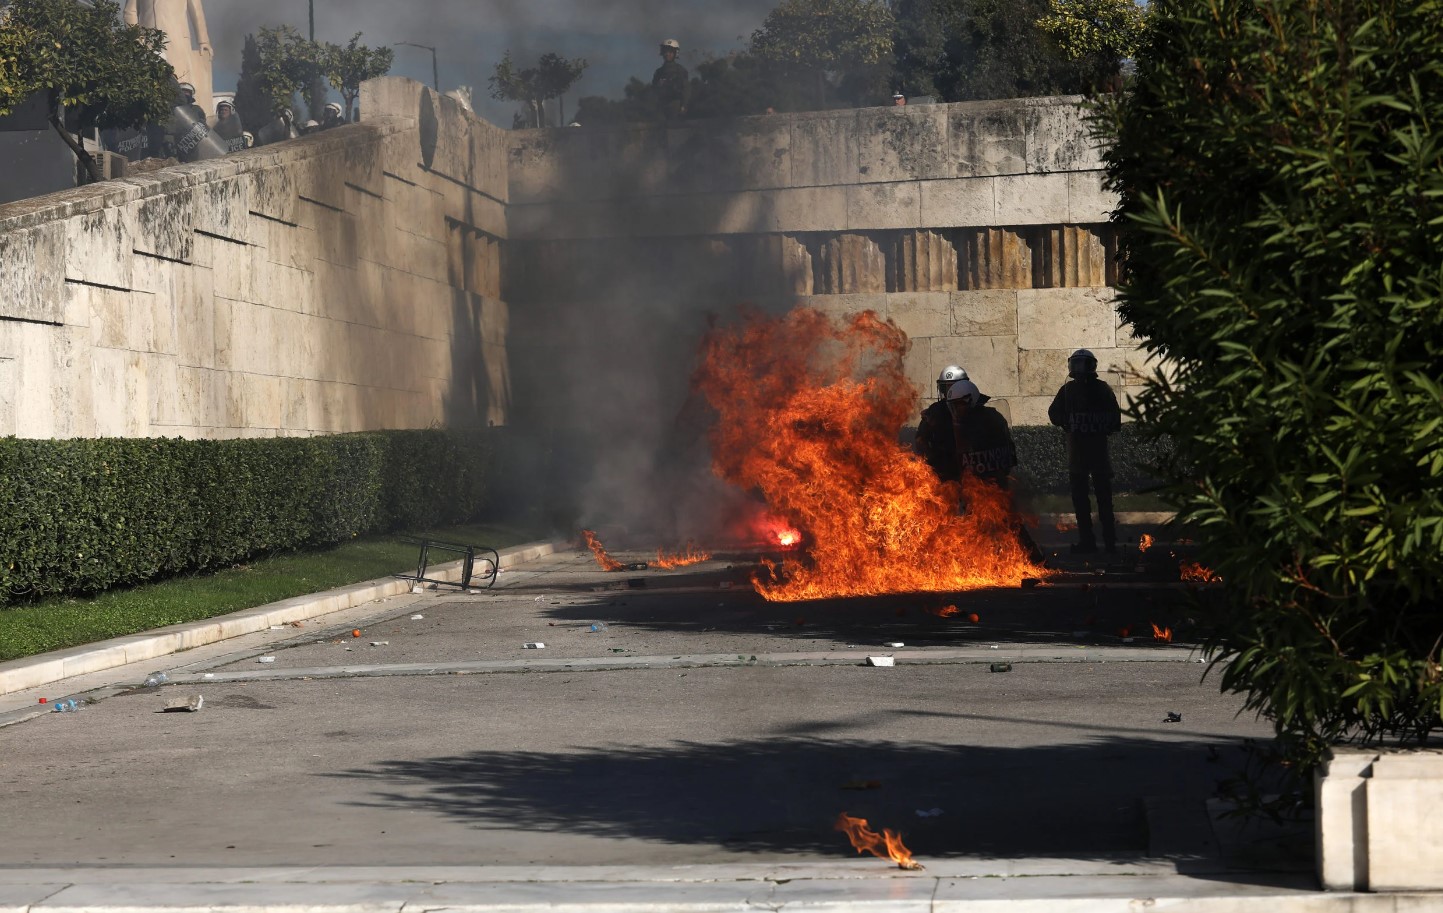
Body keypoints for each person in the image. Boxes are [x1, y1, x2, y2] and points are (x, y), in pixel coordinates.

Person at [946, 378, 1045, 562]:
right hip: (974, 483)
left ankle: (1033, 558)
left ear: (970, 400)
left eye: (959, 405)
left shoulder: (989, 419)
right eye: (954, 406)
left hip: (993, 480)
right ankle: (980, 560)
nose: (957, 410)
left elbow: (998, 448)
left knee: (1009, 520)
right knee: (974, 522)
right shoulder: (961, 423)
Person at [1048, 348, 1123, 554]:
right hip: (1087, 452)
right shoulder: (1083, 389)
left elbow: (1114, 418)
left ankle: (1097, 542)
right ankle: (1103, 542)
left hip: (1087, 452)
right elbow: (1054, 414)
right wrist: (1067, 421)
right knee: (1092, 500)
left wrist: (1070, 422)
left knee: (1093, 500)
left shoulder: (1086, 389)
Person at [913, 365, 969, 482]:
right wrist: (931, 457)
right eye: (947, 387)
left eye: (954, 387)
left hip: (970, 469)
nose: (950, 391)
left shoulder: (974, 408)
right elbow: (920, 440)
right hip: (942, 473)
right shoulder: (935, 411)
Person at [167, 82, 210, 162]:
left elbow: (204, 126)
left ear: (191, 95)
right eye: (182, 91)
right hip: (176, 145)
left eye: (187, 92)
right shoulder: (171, 110)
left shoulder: (197, 110)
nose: (184, 94)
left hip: (192, 144)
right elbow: (169, 128)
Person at [652, 38, 689, 120]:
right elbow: (653, 90)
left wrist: (683, 105)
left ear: (675, 53)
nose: (667, 54)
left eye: (670, 52)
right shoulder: (659, 72)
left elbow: (686, 90)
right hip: (661, 106)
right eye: (665, 51)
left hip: (675, 104)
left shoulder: (680, 70)